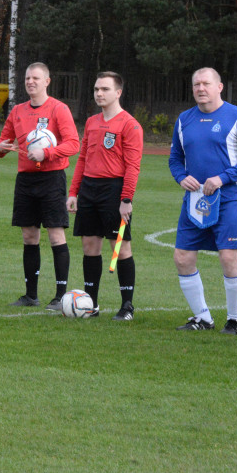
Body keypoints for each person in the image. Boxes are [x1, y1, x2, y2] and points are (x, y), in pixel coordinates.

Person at [0, 62, 80, 310]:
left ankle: (60, 296)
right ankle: (30, 295)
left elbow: (73, 143)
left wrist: (47, 152)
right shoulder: (18, 111)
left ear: (47, 81)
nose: (31, 82)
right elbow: (3, 142)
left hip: (52, 178)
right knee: (29, 236)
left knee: (55, 235)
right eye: (27, 78)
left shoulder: (58, 109)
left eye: (36, 78)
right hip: (25, 180)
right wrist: (0, 148)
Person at [168, 67, 237, 334]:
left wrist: (222, 178)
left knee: (228, 257)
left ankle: (236, 319)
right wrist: (180, 178)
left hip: (230, 198)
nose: (201, 88)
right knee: (183, 257)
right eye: (196, 84)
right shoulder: (184, 119)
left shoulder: (236, 116)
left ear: (219, 87)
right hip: (195, 201)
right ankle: (203, 318)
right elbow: (175, 158)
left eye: (206, 84)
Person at [67, 72, 142, 320]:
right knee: (90, 246)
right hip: (89, 189)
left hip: (114, 190)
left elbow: (132, 166)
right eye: (97, 89)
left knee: (120, 248)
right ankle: (91, 304)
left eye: (105, 89)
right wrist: (74, 192)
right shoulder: (91, 122)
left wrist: (126, 199)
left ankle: (127, 306)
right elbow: (83, 158)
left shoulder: (130, 125)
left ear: (118, 93)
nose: (99, 93)